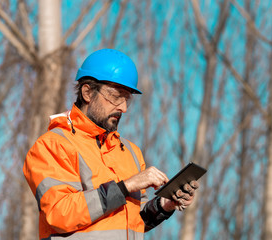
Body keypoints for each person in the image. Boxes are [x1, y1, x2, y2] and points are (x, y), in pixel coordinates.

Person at [23, 49, 200, 240]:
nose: (123, 108)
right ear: (87, 92)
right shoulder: (53, 145)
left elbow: (134, 222)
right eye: (116, 96)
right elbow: (59, 213)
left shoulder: (131, 152)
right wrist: (126, 186)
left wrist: (163, 205)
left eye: (127, 99)